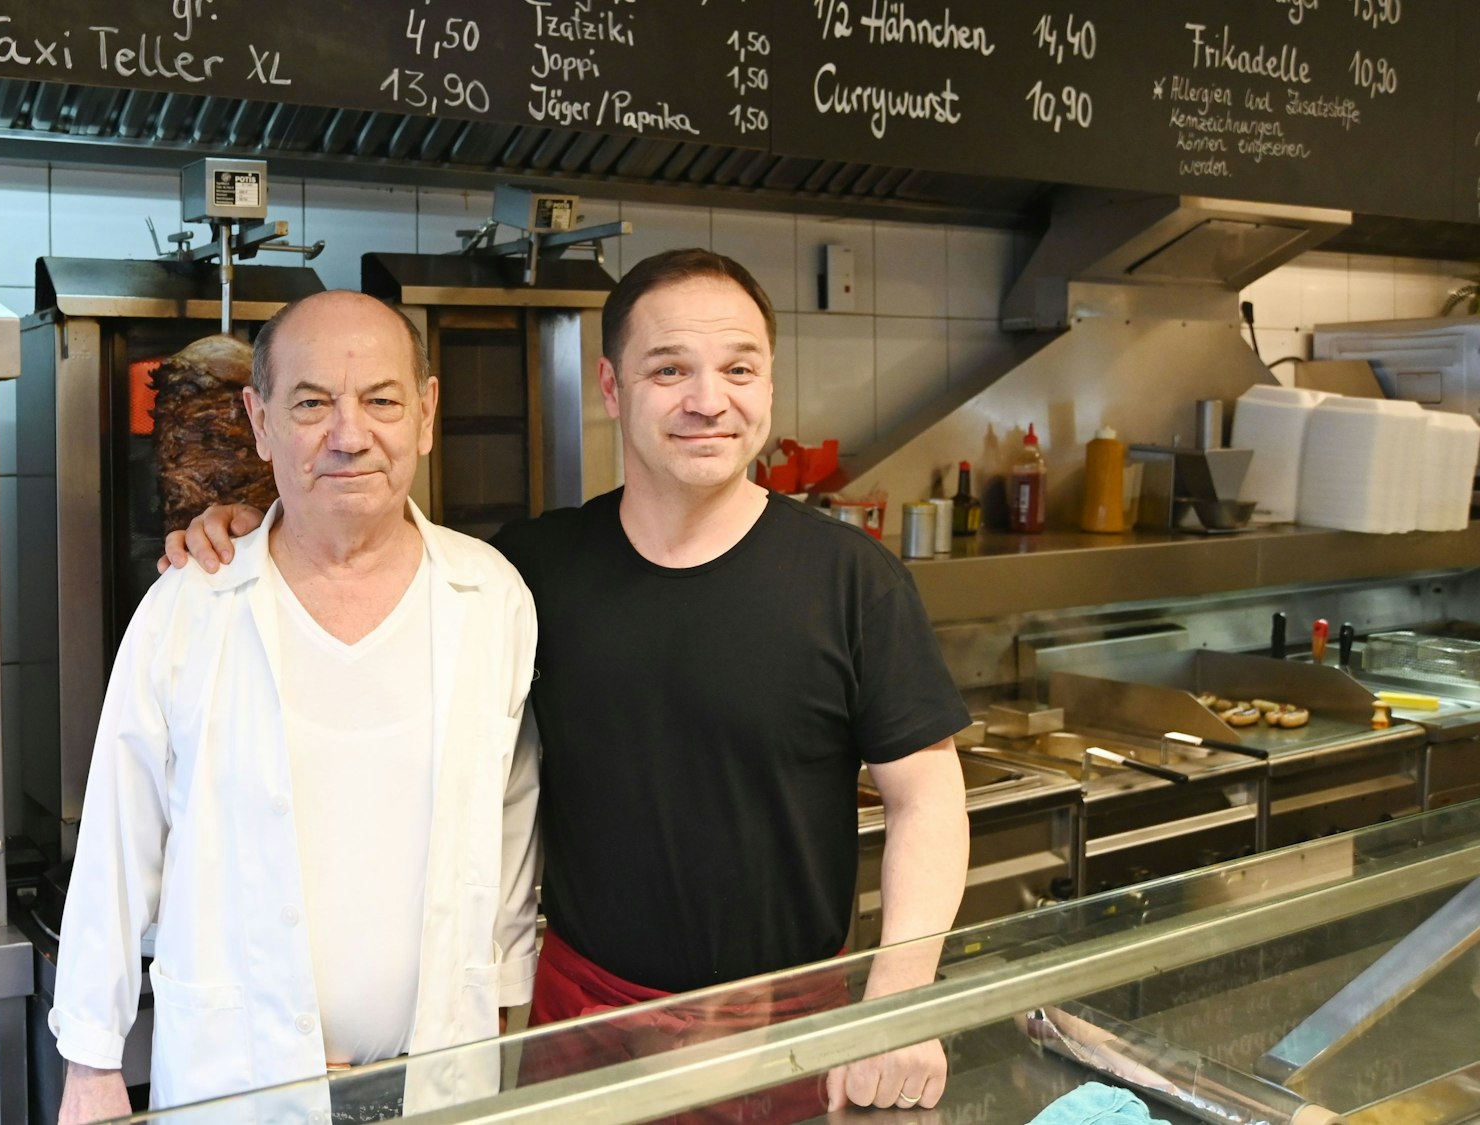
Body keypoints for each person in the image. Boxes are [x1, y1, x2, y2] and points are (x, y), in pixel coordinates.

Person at [164, 250, 971, 1114]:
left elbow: (927, 796)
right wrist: (249, 530)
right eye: (670, 369)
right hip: (584, 1027)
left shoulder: (852, 580)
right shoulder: (527, 574)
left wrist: (899, 997)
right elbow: (368, 567)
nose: (708, 399)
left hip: (788, 1029)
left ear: (768, 382)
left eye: (739, 368)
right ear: (612, 387)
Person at [54, 291, 541, 1124]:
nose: (349, 435)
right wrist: (91, 1065)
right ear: (258, 418)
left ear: (425, 413)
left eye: (381, 400)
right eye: (312, 403)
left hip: (440, 1078)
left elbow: (510, 822)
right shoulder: (189, 606)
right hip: (239, 1085)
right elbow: (115, 841)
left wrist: (501, 1004)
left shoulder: (490, 595)